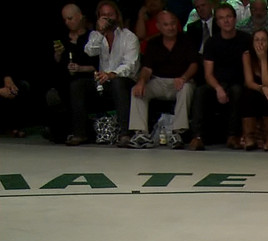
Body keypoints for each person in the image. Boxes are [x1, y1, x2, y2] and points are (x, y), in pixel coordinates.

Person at [127, 10, 198, 149]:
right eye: (166, 25)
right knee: (137, 90)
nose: (170, 27)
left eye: (173, 24)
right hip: (159, 81)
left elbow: (194, 64)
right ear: (158, 26)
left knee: (186, 88)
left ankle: (177, 133)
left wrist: (184, 78)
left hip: (180, 81)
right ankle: (140, 133)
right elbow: (147, 68)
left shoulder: (186, 40)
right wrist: (141, 82)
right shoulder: (153, 43)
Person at [192, 2, 253, 149]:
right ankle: (197, 137)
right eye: (221, 18)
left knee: (236, 91)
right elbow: (208, 74)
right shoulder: (211, 43)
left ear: (234, 19)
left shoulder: (245, 39)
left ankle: (232, 136)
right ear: (217, 22)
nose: (226, 21)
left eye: (229, 17)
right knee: (200, 91)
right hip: (217, 83)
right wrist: (218, 88)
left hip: (239, 82)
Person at [82, 0, 139, 147]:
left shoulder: (129, 37)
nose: (107, 19)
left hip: (125, 81)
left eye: (110, 15)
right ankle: (79, 133)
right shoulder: (96, 35)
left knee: (117, 83)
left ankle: (125, 134)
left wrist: (112, 74)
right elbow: (90, 51)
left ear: (117, 16)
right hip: (104, 81)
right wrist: (100, 33)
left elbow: (130, 65)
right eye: (103, 15)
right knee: (77, 85)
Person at [47, 3, 98, 145]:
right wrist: (58, 55)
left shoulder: (91, 37)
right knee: (55, 89)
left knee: (75, 86)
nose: (67, 22)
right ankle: (59, 129)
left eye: (70, 18)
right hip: (66, 78)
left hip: (86, 78)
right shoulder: (63, 38)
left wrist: (80, 68)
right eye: (65, 20)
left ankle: (79, 132)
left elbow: (98, 65)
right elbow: (58, 65)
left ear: (80, 17)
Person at [240, 27, 268, 150]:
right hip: (256, 89)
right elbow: (249, 82)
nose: (260, 43)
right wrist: (262, 89)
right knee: (247, 94)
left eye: (263, 40)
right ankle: (249, 138)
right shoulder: (247, 55)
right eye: (257, 40)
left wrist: (263, 59)